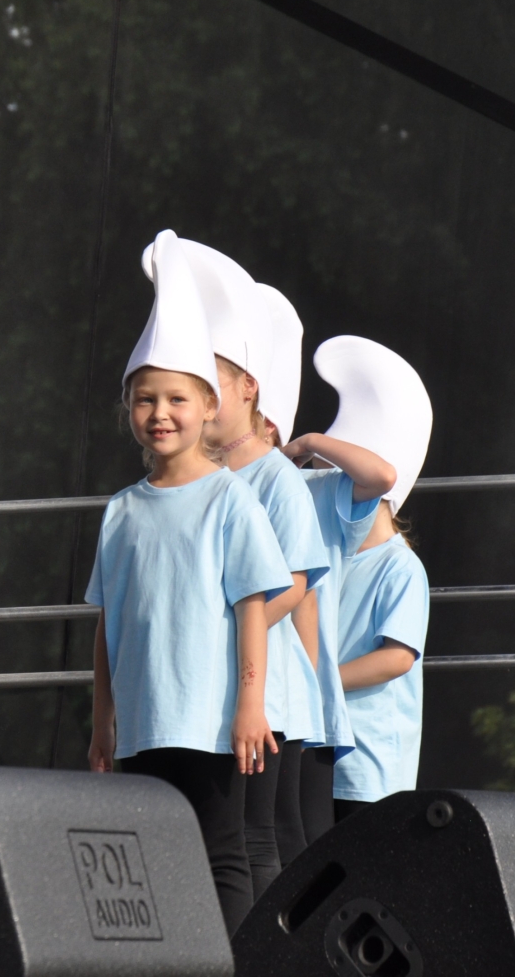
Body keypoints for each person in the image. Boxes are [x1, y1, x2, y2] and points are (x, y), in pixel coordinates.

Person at [87, 230, 291, 935]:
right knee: (152, 857)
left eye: (176, 397)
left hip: (208, 721)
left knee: (221, 853)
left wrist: (250, 706)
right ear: (129, 410)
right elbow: (109, 624)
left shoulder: (231, 498)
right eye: (145, 400)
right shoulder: (120, 510)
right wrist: (102, 721)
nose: (160, 413)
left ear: (208, 405)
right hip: (142, 723)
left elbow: (253, 606)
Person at [179, 241, 325, 898]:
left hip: (268, 691)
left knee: (256, 839)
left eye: (213, 381)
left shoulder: (276, 480)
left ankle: (271, 946)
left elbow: (295, 585)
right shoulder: (201, 480)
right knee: (220, 837)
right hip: (214, 684)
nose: (203, 398)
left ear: (248, 389)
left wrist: (223, 629)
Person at [279, 332, 402, 846]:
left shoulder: (397, 564)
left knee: (304, 845)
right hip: (279, 701)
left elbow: (381, 475)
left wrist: (309, 443)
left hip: (337, 733)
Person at [306, 337, 434, 820]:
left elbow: (397, 658)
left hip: (372, 767)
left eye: (333, 483)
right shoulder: (328, 558)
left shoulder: (401, 567)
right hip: (323, 751)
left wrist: (316, 682)